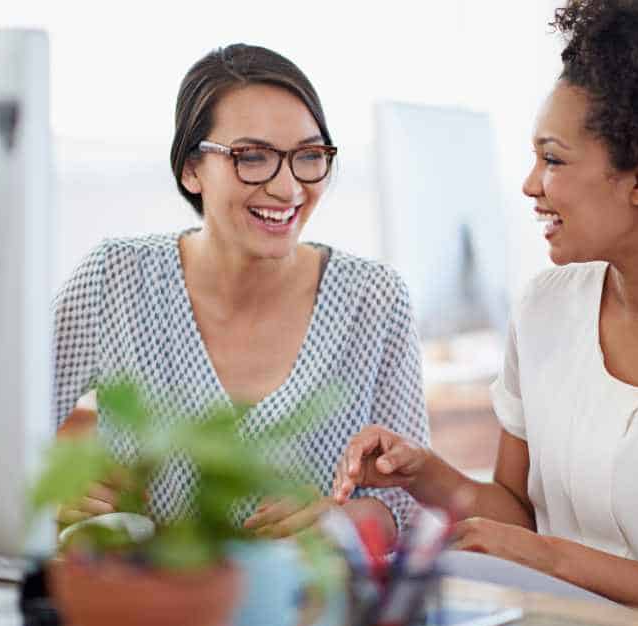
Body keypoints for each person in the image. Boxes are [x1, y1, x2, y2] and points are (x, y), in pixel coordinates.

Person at [333, 0, 638, 626]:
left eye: (554, 159)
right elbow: (516, 513)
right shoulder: (544, 307)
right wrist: (424, 474)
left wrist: (546, 556)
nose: (530, 184)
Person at [52, 44, 428, 543]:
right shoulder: (113, 279)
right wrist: (56, 492)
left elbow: (409, 499)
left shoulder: (374, 299)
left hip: (310, 610)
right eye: (252, 157)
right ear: (191, 168)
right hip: (148, 605)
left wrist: (349, 522)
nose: (288, 187)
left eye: (309, 157)